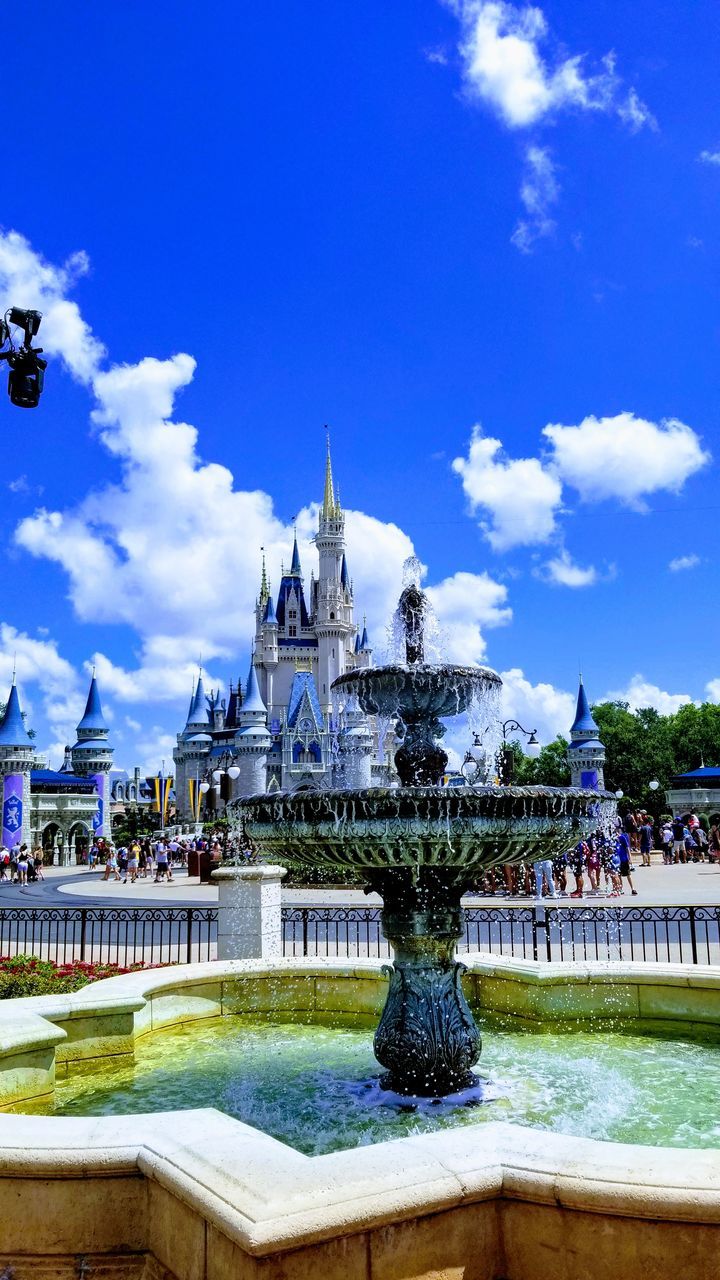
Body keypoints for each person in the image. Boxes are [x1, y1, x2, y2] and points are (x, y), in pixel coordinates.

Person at [616, 829, 638, 895]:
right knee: (619, 875)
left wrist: (630, 858)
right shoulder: (613, 839)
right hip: (617, 860)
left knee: (628, 874)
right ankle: (621, 889)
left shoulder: (622, 838)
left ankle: (633, 888)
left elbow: (627, 848)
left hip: (624, 859)